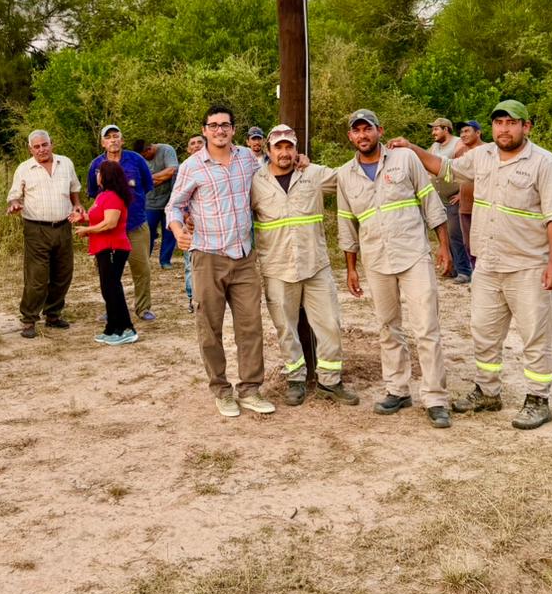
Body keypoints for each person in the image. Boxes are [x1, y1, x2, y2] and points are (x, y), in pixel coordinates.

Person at [390, 100, 552, 430]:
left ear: (526, 127)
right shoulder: (481, 156)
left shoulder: (545, 163)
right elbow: (445, 169)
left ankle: (538, 399)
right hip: (487, 265)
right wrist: (411, 147)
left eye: (511, 123)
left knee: (534, 335)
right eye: (499, 123)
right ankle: (488, 392)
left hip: (528, 266)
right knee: (484, 332)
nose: (504, 129)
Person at [336, 110, 453, 428]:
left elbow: (430, 202)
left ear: (380, 131)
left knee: (426, 327)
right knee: (388, 327)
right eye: (357, 131)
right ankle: (398, 390)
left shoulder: (405, 159)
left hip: (413, 255)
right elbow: (346, 224)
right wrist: (351, 268)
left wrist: (443, 246)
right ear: (350, 136)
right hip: (376, 260)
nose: (363, 135)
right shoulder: (345, 175)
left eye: (368, 129)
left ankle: (435, 398)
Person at [168, 103, 274, 419]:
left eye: (225, 125)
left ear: (233, 129)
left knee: (250, 326)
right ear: (205, 130)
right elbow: (174, 206)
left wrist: (301, 160)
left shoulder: (248, 159)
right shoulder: (192, 166)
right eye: (213, 125)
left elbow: (274, 173)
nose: (219, 130)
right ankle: (222, 391)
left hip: (243, 257)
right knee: (209, 328)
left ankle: (250, 389)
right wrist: (178, 231)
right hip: (207, 257)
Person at [252, 124, 358, 407]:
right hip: (277, 267)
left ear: (297, 149)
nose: (284, 152)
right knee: (285, 328)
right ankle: (296, 380)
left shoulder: (313, 174)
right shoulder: (255, 182)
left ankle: (330, 381)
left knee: (330, 324)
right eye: (278, 147)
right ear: (268, 150)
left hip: (315, 265)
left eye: (289, 146)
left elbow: (349, 177)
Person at [6, 130, 85, 338]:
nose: (41, 149)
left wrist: (77, 204)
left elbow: (74, 189)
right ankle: (29, 319)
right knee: (37, 276)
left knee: (63, 273)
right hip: (36, 228)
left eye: (44, 145)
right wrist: (15, 204)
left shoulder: (65, 163)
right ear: (30, 149)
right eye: (37, 146)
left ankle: (53, 314)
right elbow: (14, 196)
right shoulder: (24, 168)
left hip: (63, 225)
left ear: (52, 144)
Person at [87, 126, 155, 322]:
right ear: (103, 143)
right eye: (108, 137)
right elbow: (94, 193)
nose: (113, 140)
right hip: (107, 228)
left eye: (116, 136)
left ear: (122, 140)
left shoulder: (136, 160)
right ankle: (112, 307)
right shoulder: (96, 165)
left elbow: (147, 186)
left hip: (135, 224)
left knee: (141, 268)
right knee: (108, 272)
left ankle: (143, 308)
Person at [75, 160, 137, 346]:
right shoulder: (102, 195)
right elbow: (99, 216)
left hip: (113, 248)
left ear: (106, 176)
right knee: (108, 288)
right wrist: (83, 218)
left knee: (112, 289)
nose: (97, 175)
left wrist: (87, 230)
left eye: (99, 172)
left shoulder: (112, 196)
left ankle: (126, 329)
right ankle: (112, 328)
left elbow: (110, 222)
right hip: (103, 247)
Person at [428, 117, 473, 285]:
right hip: (439, 199)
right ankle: (452, 268)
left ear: (446, 129)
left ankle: (465, 271)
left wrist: (462, 194)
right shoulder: (435, 147)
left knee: (456, 235)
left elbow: (468, 169)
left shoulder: (458, 144)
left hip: (454, 198)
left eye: (436, 129)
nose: (433, 132)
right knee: (445, 236)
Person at [134, 139, 179, 269]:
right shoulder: (139, 158)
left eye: (145, 155)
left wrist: (149, 178)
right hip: (150, 201)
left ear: (149, 149)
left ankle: (165, 261)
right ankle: (144, 260)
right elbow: (140, 180)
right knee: (147, 231)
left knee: (169, 231)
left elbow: (172, 170)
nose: (144, 159)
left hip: (170, 200)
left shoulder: (166, 150)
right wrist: (161, 177)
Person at [455, 121, 484, 263]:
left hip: (483, 207)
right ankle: (475, 274)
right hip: (465, 207)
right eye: (461, 132)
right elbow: (454, 173)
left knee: (484, 245)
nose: (463, 135)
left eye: (467, 131)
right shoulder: (460, 152)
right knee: (469, 245)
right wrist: (459, 193)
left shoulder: (489, 151)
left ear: (478, 133)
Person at [182, 133, 204, 312]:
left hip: (209, 226)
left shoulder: (216, 166)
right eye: (193, 143)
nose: (196, 145)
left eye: (199, 142)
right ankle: (192, 298)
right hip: (189, 225)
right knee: (190, 264)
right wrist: (185, 217)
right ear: (188, 149)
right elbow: (176, 200)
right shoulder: (184, 169)